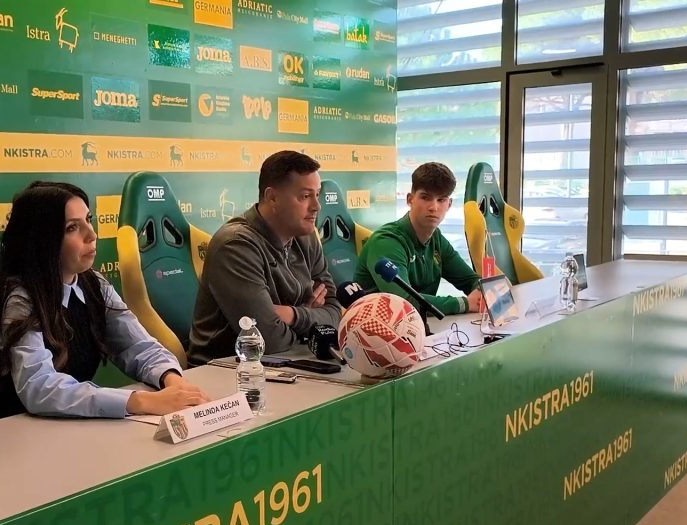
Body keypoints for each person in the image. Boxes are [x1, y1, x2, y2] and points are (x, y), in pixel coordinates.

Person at [0, 181, 210, 419]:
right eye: (72, 227)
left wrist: (172, 380)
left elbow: (137, 346)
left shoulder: (95, 284)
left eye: (88, 220)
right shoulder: (20, 299)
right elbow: (39, 387)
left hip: (68, 423)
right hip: (12, 427)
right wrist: (139, 401)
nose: (92, 235)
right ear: (42, 239)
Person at [188, 150, 342, 366]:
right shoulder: (235, 245)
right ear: (273, 198)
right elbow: (269, 341)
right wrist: (310, 319)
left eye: (317, 194)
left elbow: (335, 313)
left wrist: (292, 315)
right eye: (305, 196)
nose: (317, 206)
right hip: (227, 370)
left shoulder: (305, 235)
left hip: (291, 361)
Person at [355, 162, 482, 315]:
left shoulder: (436, 239)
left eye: (441, 200)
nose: (433, 207)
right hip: (376, 326)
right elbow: (404, 303)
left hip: (418, 325)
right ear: (410, 199)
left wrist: (485, 293)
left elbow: (471, 281)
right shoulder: (386, 241)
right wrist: (464, 304)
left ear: (449, 205)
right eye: (425, 198)